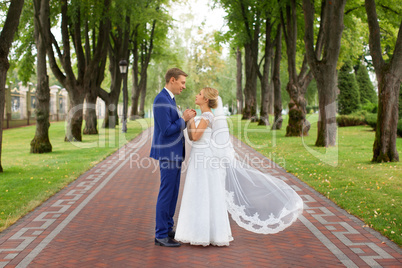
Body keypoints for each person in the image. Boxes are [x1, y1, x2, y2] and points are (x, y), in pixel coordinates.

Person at [175, 87, 304, 247]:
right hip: (199, 157)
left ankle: (206, 233)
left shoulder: (207, 116)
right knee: (200, 193)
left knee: (205, 193)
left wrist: (189, 120)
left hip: (205, 160)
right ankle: (198, 231)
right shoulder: (202, 117)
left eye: (199, 94)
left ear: (206, 99)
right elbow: (191, 136)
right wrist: (190, 121)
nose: (196, 95)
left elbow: (194, 136)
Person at [150, 68, 196, 247]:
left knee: (173, 193)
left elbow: (174, 125)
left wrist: (184, 119)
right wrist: (183, 119)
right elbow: (166, 130)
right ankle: (160, 235)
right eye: (182, 82)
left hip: (175, 154)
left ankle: (168, 228)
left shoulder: (170, 99)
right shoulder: (161, 99)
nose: (184, 86)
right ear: (172, 80)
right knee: (166, 194)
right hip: (168, 154)